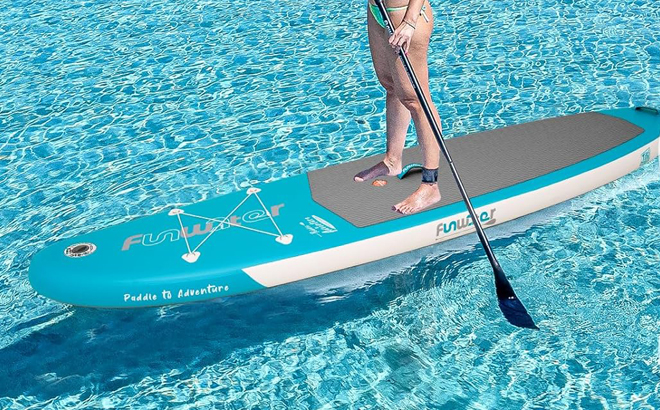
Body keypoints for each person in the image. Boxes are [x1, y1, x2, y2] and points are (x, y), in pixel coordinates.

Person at [355, 0, 442, 215]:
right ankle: (392, 161)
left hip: (405, 14)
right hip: (378, 10)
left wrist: (410, 21)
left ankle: (431, 185)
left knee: (416, 98)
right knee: (391, 85)